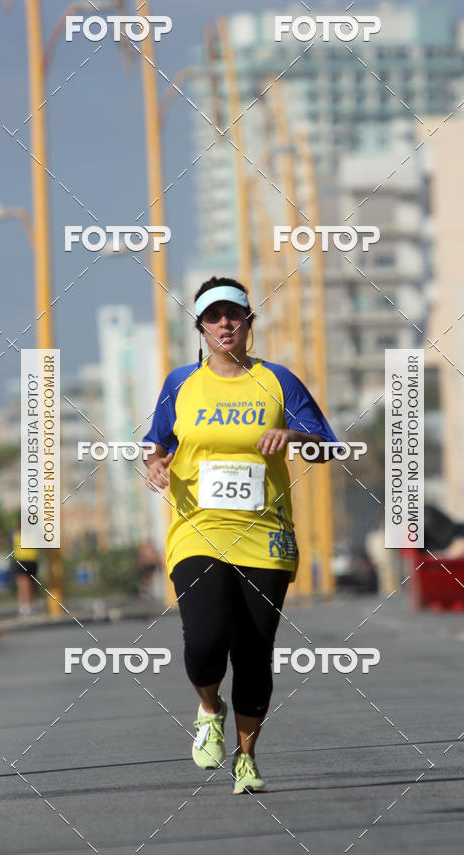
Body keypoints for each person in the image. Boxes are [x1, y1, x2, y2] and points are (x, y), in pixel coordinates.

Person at [143, 276, 338, 794]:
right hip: (198, 529)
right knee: (206, 639)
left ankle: (246, 758)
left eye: (234, 314)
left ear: (249, 322)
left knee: (254, 651)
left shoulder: (278, 381)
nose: (224, 323)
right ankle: (210, 709)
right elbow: (156, 443)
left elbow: (326, 446)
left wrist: (291, 435)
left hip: (265, 535)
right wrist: (155, 463)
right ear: (201, 328)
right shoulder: (180, 383)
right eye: (213, 316)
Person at [10, 529, 40, 615]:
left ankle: (29, 604)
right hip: (22, 560)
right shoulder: (17, 532)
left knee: (30, 584)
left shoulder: (34, 532)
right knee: (24, 583)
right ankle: (25, 605)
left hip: (31, 560)